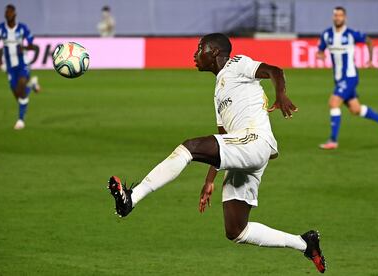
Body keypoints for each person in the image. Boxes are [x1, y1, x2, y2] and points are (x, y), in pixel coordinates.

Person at [107, 33, 326, 273]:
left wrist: (281, 95)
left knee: (189, 147)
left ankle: (131, 198)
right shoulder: (218, 91)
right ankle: (305, 243)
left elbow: (275, 70)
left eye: (199, 48)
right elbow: (223, 140)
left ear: (213, 52)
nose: (194, 54)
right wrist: (210, 180)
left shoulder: (237, 63)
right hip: (244, 151)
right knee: (236, 230)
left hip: (254, 140)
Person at [317, 6, 378, 150]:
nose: (337, 18)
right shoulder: (327, 34)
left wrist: (371, 60)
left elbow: (370, 41)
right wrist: (320, 54)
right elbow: (320, 50)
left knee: (333, 103)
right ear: (333, 17)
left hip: (350, 76)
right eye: (336, 15)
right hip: (339, 78)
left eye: (340, 15)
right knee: (355, 109)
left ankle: (333, 140)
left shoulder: (351, 34)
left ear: (344, 18)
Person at [0, 4, 40, 130]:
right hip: (10, 66)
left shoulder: (22, 28)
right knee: (18, 94)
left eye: (9, 12)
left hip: (22, 63)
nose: (7, 14)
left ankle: (20, 120)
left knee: (21, 87)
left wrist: (24, 47)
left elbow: (33, 46)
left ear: (14, 14)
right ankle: (31, 84)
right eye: (6, 12)